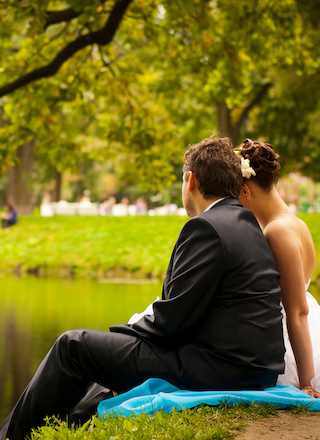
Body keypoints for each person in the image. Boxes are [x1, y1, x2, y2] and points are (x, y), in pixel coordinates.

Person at [0, 136, 285, 440]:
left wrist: (124, 331)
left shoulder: (207, 227)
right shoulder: (246, 224)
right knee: (102, 366)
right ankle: (65, 429)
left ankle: (10, 436)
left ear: (191, 181)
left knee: (74, 346)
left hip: (221, 369)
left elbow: (171, 321)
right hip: (252, 367)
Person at [236, 138, 320, 398]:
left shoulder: (278, 231)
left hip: (289, 349)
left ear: (246, 191)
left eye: (234, 194)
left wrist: (307, 382)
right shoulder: (295, 223)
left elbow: (297, 312)